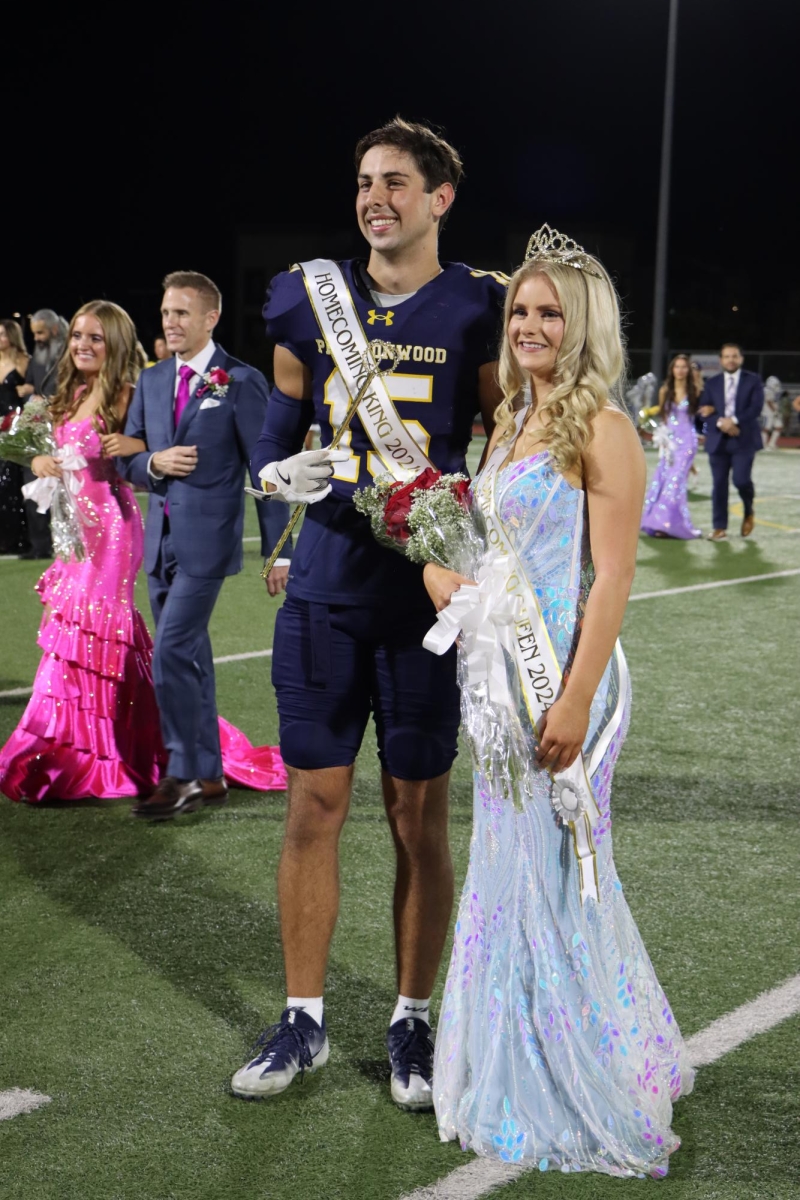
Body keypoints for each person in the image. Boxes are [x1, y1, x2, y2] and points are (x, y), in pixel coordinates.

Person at [232, 117, 508, 1107]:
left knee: (417, 815)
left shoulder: (478, 306)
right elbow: (279, 430)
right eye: (361, 181)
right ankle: (302, 1016)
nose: (372, 196)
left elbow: (503, 445)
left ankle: (410, 1020)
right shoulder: (309, 296)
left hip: (423, 605)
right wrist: (276, 484)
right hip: (323, 594)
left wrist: (482, 553)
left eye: (394, 181)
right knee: (313, 805)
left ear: (439, 199)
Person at [424, 227, 693, 1177]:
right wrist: (438, 567)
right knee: (509, 870)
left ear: (583, 328)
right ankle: (512, 1060)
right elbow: (490, 543)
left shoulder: (603, 426)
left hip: (568, 682)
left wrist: (574, 699)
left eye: (551, 313)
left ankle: (583, 1075)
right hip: (500, 687)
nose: (532, 326)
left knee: (563, 869)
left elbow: (612, 580)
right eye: (522, 311)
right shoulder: (507, 418)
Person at [0, 300, 286, 804]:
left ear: (114, 343)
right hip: (74, 532)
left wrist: (144, 453)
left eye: (96, 338)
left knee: (108, 635)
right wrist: (40, 455)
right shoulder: (67, 393)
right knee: (78, 636)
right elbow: (46, 445)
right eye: (78, 336)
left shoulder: (130, 393)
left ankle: (128, 757)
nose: (84, 345)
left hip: (115, 530)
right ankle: (83, 744)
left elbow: (145, 450)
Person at [116, 271, 289, 819]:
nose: (170, 322)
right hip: (159, 541)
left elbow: (266, 470)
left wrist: (278, 549)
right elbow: (128, 456)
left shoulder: (239, 381)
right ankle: (211, 774)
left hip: (207, 544)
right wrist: (151, 463)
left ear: (210, 318)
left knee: (168, 652)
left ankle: (182, 773)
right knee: (189, 654)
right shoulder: (150, 380)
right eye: (166, 313)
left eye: (182, 313)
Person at [697, 343, 763, 541]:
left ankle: (748, 509)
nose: (731, 360)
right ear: (721, 360)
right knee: (719, 485)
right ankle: (719, 527)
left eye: (734, 356)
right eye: (726, 356)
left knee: (741, 481)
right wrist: (719, 421)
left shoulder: (753, 380)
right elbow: (703, 412)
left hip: (744, 440)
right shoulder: (712, 383)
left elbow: (755, 408)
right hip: (718, 441)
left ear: (741, 359)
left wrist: (732, 421)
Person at [15, 308, 66, 559]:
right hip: (38, 428)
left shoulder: (71, 352)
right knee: (32, 480)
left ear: (54, 330)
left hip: (65, 428)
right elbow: (35, 385)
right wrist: (29, 391)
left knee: (64, 487)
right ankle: (40, 545)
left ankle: (65, 542)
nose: (36, 338)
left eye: (40, 333)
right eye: (34, 333)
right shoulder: (39, 353)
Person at [640, 353, 702, 538]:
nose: (681, 370)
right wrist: (660, 435)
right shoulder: (665, 390)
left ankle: (665, 524)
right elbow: (665, 417)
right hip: (670, 442)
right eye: (677, 367)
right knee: (664, 480)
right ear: (672, 370)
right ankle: (664, 524)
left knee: (674, 483)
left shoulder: (695, 391)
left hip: (687, 443)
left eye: (684, 367)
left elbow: (699, 415)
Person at [0, 319, 31, 554]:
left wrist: (29, 390)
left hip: (16, 426)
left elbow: (33, 389)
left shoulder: (23, 361)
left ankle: (19, 538)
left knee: (12, 481)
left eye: (2, 334)